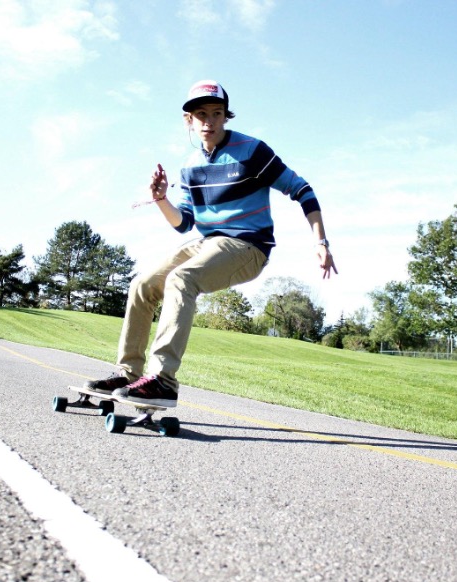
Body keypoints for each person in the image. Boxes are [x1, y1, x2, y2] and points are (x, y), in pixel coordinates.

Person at [86, 79, 338, 407]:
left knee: (182, 278)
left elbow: (302, 189)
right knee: (143, 284)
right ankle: (129, 374)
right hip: (207, 243)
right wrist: (161, 199)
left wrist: (321, 240)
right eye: (201, 114)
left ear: (225, 117)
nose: (209, 121)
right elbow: (184, 223)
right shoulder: (190, 167)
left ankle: (162, 380)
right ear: (188, 120)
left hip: (248, 246)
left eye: (217, 114)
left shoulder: (253, 151)